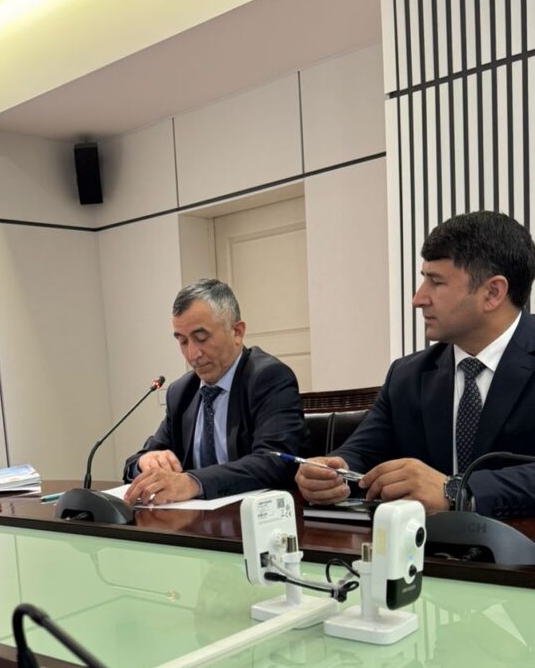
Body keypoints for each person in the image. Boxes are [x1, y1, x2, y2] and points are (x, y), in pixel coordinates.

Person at [296, 211, 535, 517]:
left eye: (436, 282)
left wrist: (455, 490)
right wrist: (332, 471)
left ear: (492, 293)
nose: (418, 299)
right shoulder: (406, 375)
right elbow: (362, 451)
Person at [123, 279, 308, 504]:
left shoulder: (269, 378)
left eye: (201, 338)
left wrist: (193, 482)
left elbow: (275, 462)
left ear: (237, 332)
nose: (192, 354)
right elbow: (136, 461)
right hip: (194, 519)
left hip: (256, 516)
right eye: (183, 342)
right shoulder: (182, 392)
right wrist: (145, 462)